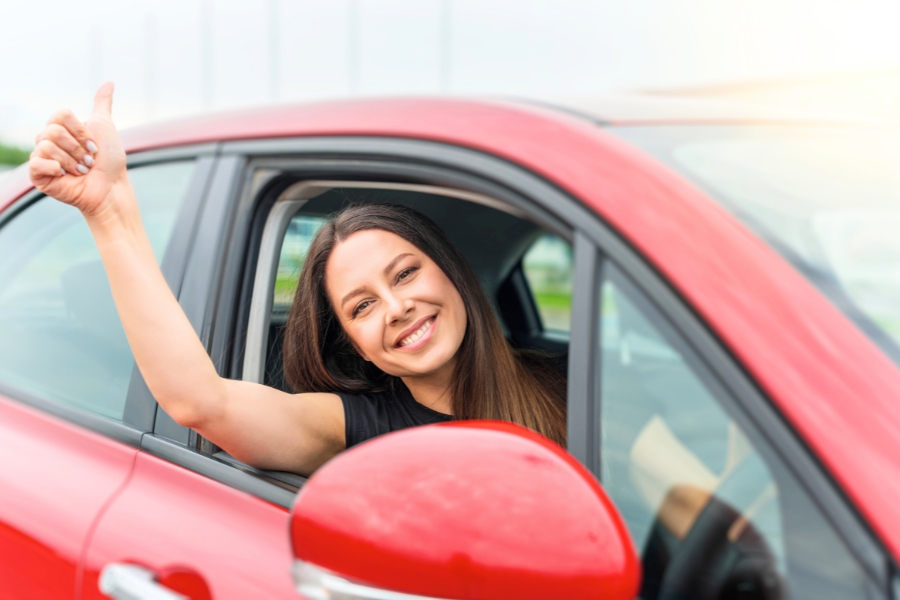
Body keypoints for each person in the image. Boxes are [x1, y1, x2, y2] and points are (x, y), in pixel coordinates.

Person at [28, 84, 567, 476]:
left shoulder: (577, 384)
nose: (396, 307)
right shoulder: (359, 428)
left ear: (454, 275)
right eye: (360, 307)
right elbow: (202, 403)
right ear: (358, 347)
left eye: (405, 273)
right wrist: (110, 213)